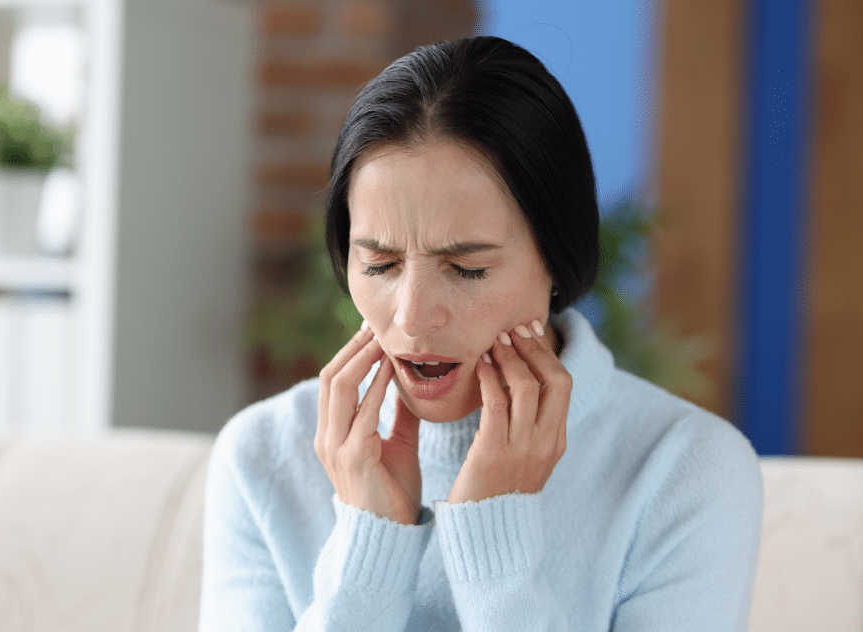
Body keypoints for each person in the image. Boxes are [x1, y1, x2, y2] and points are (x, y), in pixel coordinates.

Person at [199, 36, 762, 631]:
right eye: (380, 265)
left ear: (557, 259)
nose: (412, 317)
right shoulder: (261, 456)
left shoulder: (685, 469)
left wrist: (497, 555)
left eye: (467, 269)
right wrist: (365, 560)